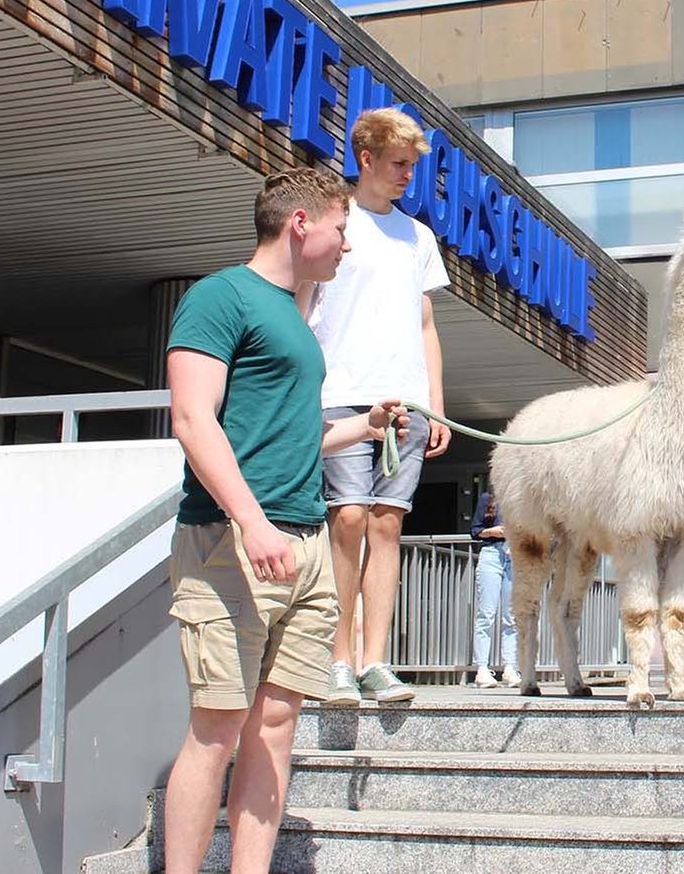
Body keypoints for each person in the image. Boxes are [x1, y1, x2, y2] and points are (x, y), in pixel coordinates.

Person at [162, 167, 409, 874]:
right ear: (301, 223)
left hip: (303, 545)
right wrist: (252, 522)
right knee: (218, 726)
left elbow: (294, 435)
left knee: (275, 727)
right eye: (341, 230)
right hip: (230, 544)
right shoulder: (220, 297)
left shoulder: (297, 319)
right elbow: (191, 417)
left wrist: (365, 425)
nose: (347, 248)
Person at [303, 107, 452, 707]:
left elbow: (424, 320)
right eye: (398, 164)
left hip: (406, 400)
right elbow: (304, 302)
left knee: (387, 524)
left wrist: (435, 403)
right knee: (347, 520)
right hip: (341, 393)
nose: (406, 176)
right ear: (365, 159)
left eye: (412, 167)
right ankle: (336, 660)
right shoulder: (336, 225)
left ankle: (374, 661)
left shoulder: (418, 237)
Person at [468, 491, 520, 688]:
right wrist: (493, 531)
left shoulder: (521, 499)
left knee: (511, 616)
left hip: (514, 553)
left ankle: (510, 667)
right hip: (491, 552)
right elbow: (475, 531)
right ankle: (482, 667)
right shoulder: (487, 499)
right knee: (486, 614)